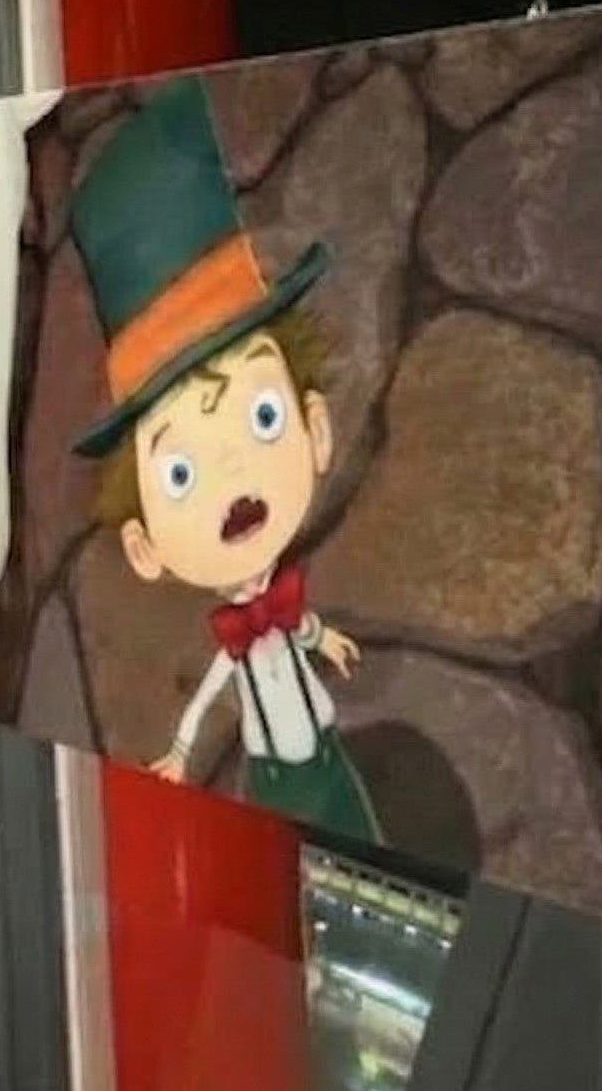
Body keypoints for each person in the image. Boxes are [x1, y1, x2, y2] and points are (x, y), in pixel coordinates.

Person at [67, 76, 381, 844]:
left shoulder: (276, 609)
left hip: (324, 756)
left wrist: (321, 638)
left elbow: (293, 631)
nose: (235, 473)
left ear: (316, 429)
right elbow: (214, 688)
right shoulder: (235, 634)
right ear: (143, 545)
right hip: (274, 774)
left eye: (262, 416)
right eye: (180, 473)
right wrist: (180, 751)